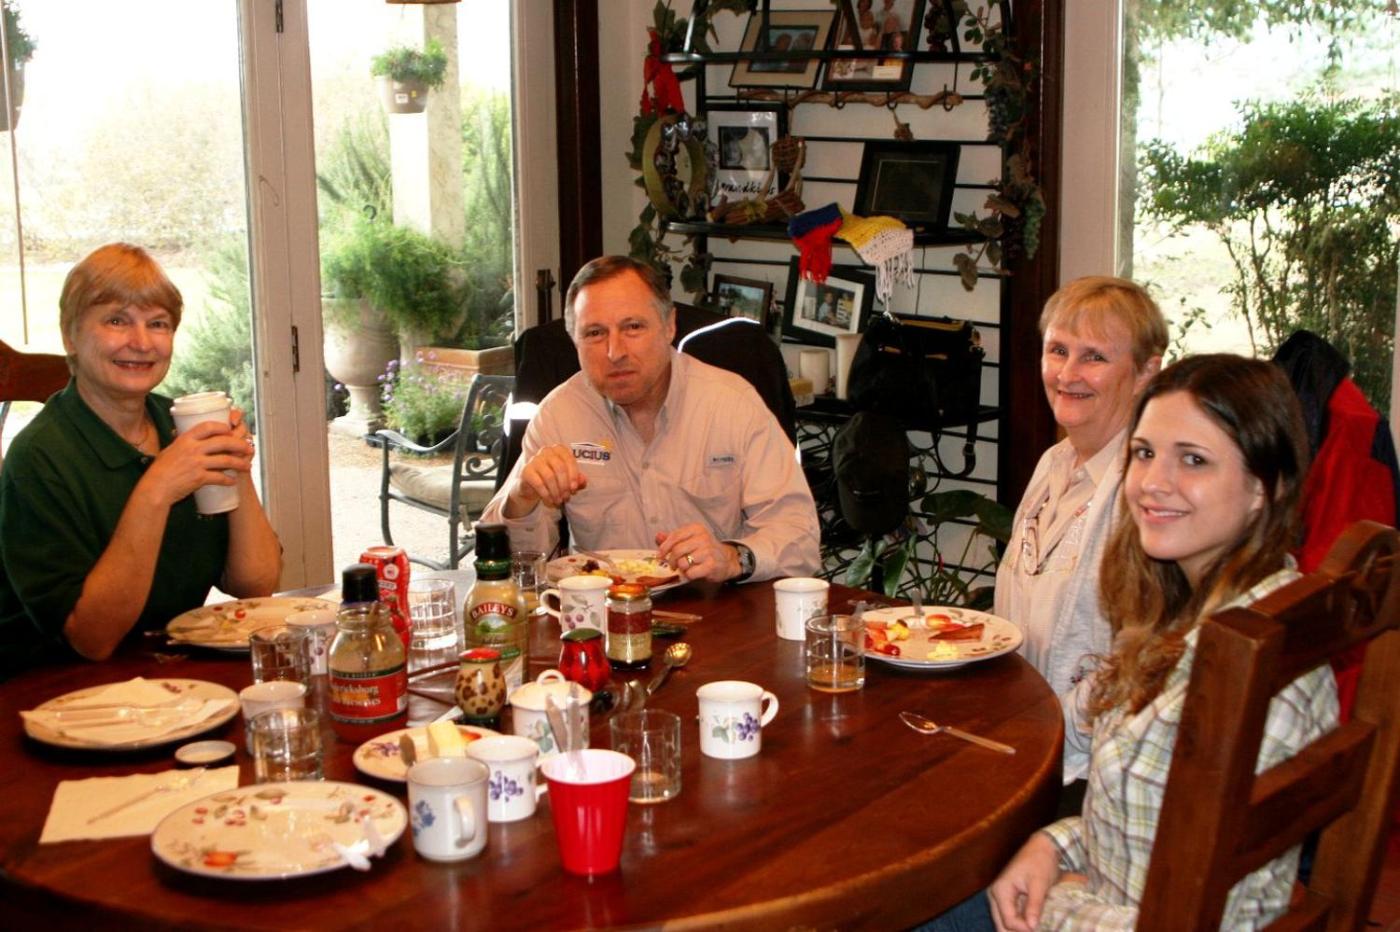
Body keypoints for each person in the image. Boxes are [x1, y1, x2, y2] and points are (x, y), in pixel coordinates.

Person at [985, 354, 1336, 930]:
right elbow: (1147, 818)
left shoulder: (1248, 665)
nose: (1151, 483)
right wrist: (1054, 845)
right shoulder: (1193, 616)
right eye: (1145, 453)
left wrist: (1062, 904)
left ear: (1263, 487)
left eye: (1193, 460)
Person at [0, 243, 281, 672]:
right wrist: (157, 489)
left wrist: (234, 464)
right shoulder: (38, 459)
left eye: (158, 323)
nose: (141, 342)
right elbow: (93, 640)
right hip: (52, 684)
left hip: (167, 668)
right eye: (117, 320)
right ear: (70, 336)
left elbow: (255, 584)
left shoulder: (177, 426)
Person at [480, 255, 820, 584]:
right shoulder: (559, 415)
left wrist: (733, 557)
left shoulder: (732, 405)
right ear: (575, 341)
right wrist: (522, 498)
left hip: (717, 607)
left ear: (669, 326)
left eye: (633, 327)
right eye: (595, 333)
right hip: (605, 611)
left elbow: (799, 539)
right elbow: (508, 563)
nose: (615, 352)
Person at [993, 277, 1167, 789]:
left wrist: (1039, 733)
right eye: (1058, 350)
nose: (1067, 374)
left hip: (1090, 774)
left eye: (1094, 357)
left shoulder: (1146, 492)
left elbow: (1139, 661)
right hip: (1025, 742)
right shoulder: (1054, 463)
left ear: (1146, 372)